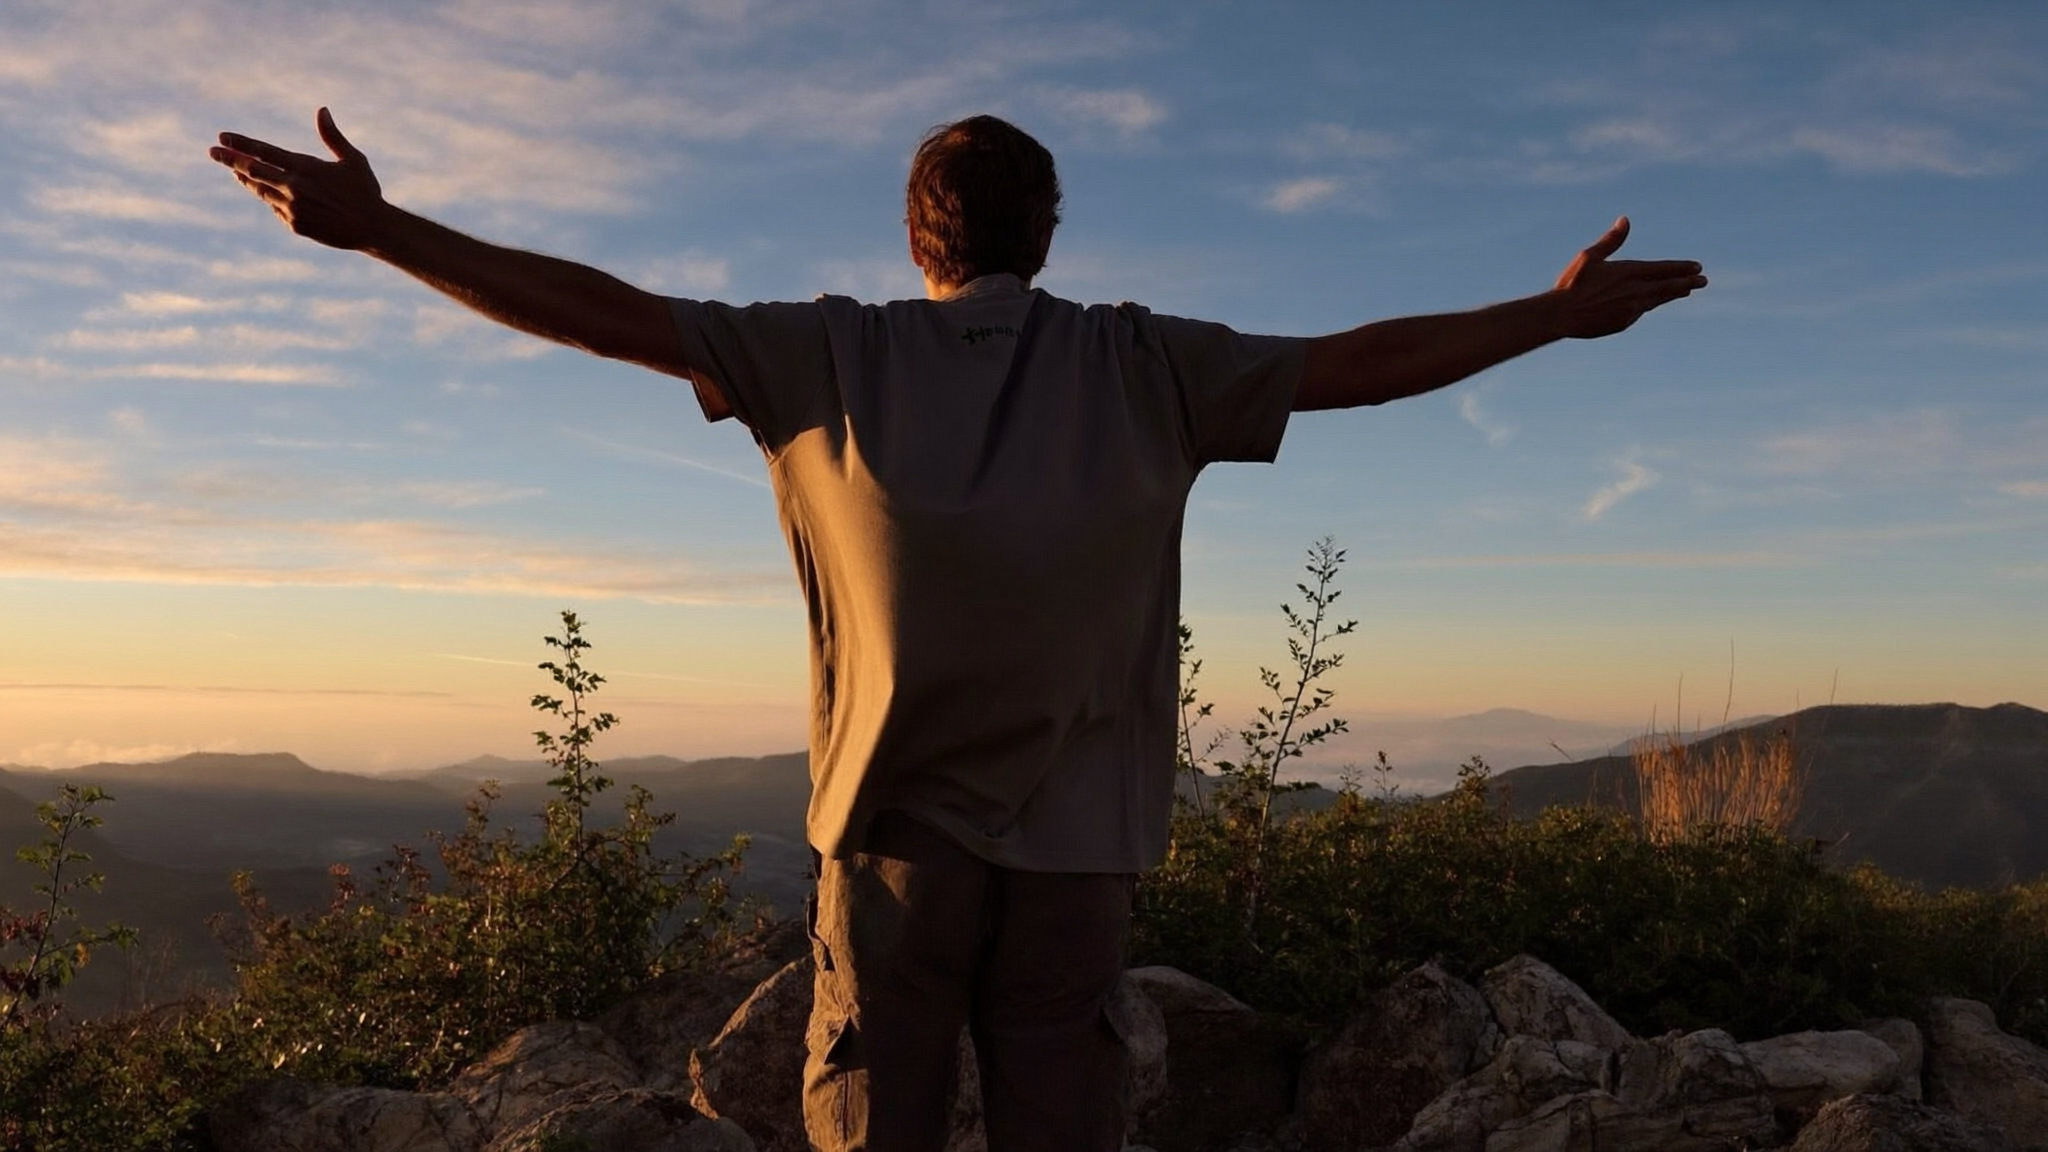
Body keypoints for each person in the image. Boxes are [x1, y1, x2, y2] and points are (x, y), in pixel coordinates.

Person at [210, 109, 1705, 1152]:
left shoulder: (827, 354)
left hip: (892, 848)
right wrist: (1548, 314)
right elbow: (1360, 364)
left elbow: (598, 309)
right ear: (1045, 233)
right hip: (1081, 852)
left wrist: (383, 230)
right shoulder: (1144, 365)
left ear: (914, 233)